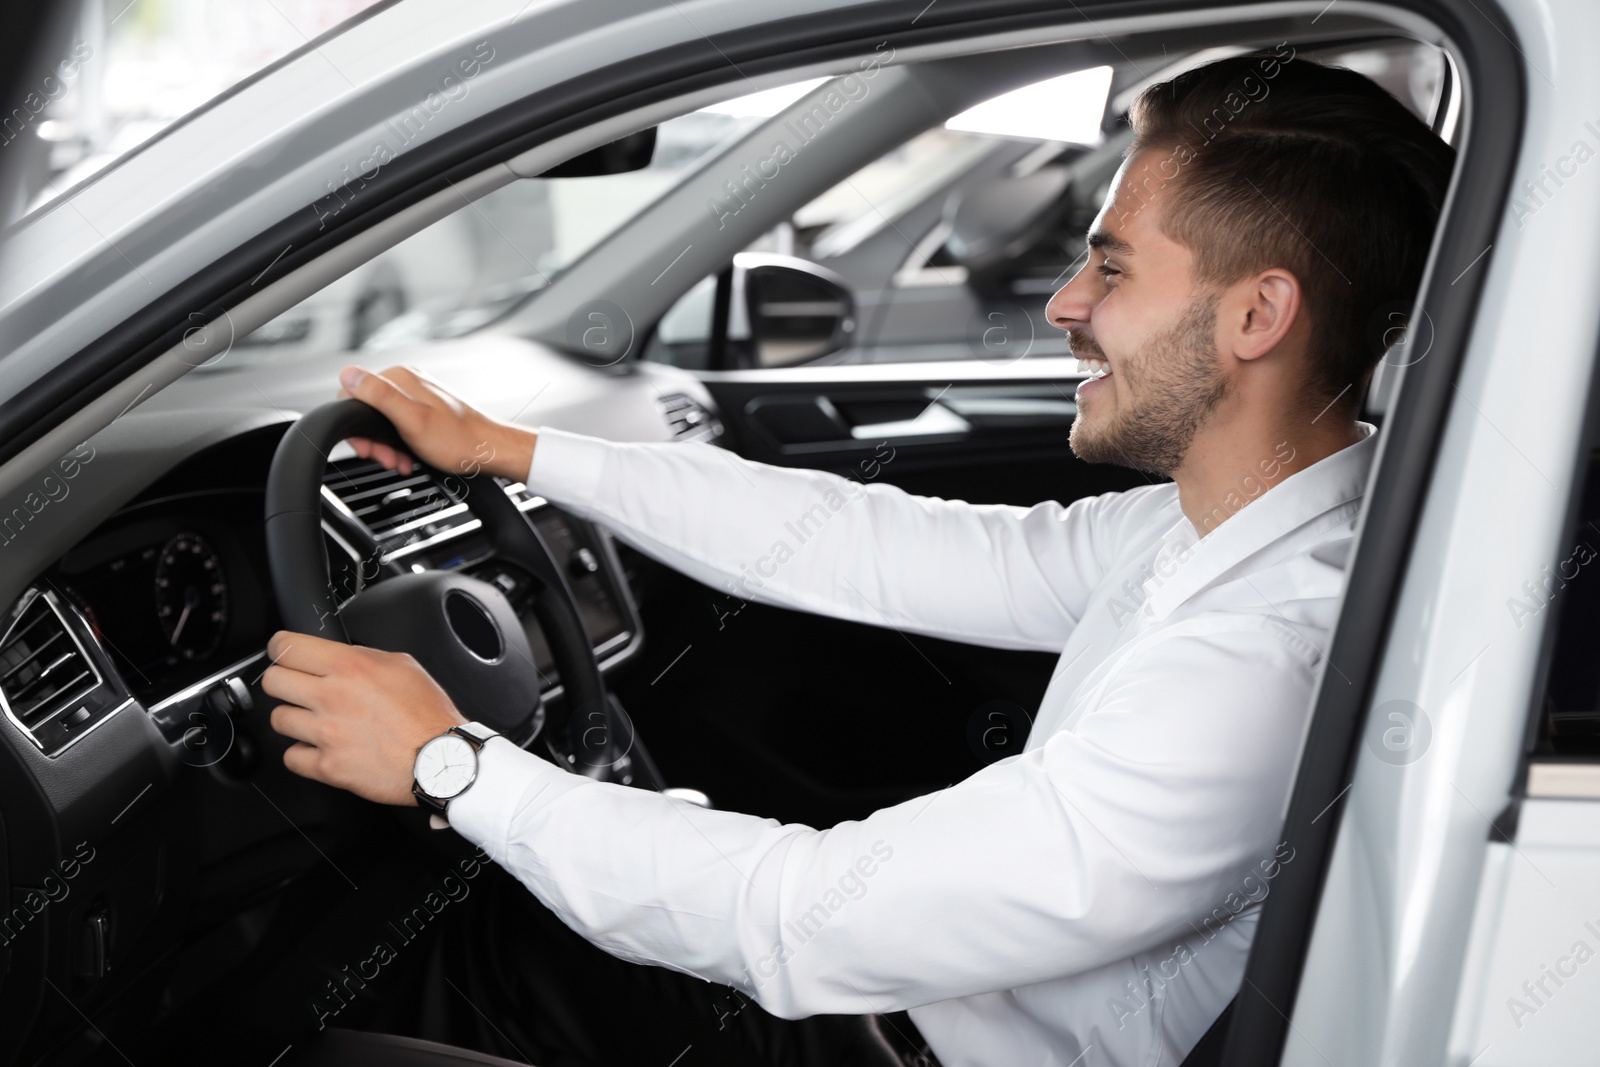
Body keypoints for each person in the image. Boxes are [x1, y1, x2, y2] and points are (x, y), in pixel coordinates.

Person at [262, 50, 1455, 1067]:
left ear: (1257, 315)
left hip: (910, 1039)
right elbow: (877, 543)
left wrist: (450, 765)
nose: (1062, 302)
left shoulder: (1258, 660)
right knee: (506, 944)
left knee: (407, 1001)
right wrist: (517, 448)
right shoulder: (1233, 525)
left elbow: (799, 920)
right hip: (907, 1015)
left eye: (1113, 265)